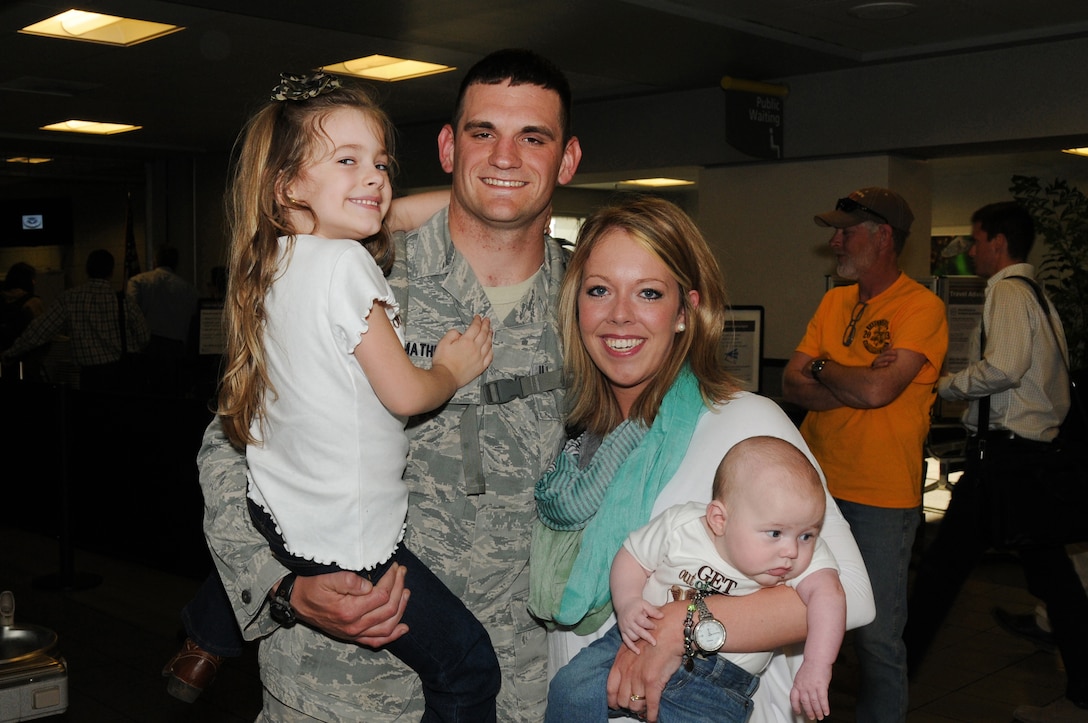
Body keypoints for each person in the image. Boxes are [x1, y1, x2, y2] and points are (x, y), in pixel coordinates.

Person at [192, 49, 582, 721]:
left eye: (533, 137)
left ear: (567, 160)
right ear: (448, 146)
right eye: (482, 132)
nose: (505, 156)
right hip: (337, 684)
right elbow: (232, 447)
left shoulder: (595, 301)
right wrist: (281, 586)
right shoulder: (358, 266)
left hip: (513, 681)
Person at [532, 194, 874, 723]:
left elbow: (851, 592)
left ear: (685, 312)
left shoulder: (744, 423)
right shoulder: (575, 435)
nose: (620, 314)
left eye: (648, 293)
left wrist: (686, 624)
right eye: (599, 290)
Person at [904, 201, 1088, 723]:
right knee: (1056, 580)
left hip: (1005, 462)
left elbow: (1004, 368)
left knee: (942, 572)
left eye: (976, 239)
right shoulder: (1038, 296)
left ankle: (892, 675)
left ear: (998, 244)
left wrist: (947, 386)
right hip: (1032, 459)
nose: (972, 249)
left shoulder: (1006, 290)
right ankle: (1081, 697)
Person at [780, 187, 948, 723]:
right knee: (798, 622)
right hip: (817, 491)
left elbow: (879, 393)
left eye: (846, 231)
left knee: (876, 641)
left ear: (882, 237)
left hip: (880, 497)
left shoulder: (921, 307)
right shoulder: (834, 300)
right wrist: (853, 377)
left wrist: (826, 368)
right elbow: (791, 382)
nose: (835, 241)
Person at [546, 435, 846, 722]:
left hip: (717, 681)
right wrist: (628, 603)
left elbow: (829, 596)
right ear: (720, 520)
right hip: (639, 641)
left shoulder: (803, 555)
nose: (792, 551)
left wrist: (817, 665)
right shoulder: (683, 525)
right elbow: (632, 556)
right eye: (775, 533)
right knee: (571, 687)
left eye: (808, 535)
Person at [2, 249, 150, 392]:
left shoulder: (70, 299)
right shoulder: (124, 301)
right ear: (111, 272)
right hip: (122, 373)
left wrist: (11, 352)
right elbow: (144, 336)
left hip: (91, 376)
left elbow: (40, 331)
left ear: (87, 270)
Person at [126, 244, 199, 394]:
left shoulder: (138, 282)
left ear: (155, 261)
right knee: (172, 394)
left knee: (149, 394)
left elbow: (130, 311)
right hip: (176, 349)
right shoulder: (188, 289)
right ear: (176, 263)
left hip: (148, 346)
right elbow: (194, 317)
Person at [1, 262, 46, 379]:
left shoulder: (2, 300)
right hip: (27, 364)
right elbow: (40, 333)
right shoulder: (32, 303)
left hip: (3, 361)